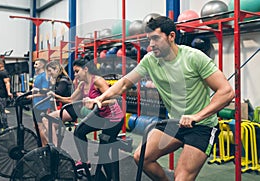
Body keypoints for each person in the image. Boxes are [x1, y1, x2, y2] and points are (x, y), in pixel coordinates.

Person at [90, 16, 235, 181]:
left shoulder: (194, 57)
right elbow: (124, 84)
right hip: (174, 123)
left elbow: (226, 91)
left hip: (202, 126)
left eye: (156, 38)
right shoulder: (150, 60)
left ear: (171, 36)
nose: (151, 45)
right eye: (149, 39)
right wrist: (100, 98)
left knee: (181, 178)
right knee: (141, 157)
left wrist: (197, 116)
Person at [45, 57, 124, 167]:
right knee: (79, 131)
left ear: (86, 69)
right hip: (101, 115)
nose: (75, 75)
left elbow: (113, 100)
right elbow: (71, 100)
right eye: (74, 72)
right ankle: (85, 161)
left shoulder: (98, 81)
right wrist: (55, 96)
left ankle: (109, 178)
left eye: (77, 71)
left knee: (103, 153)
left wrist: (96, 101)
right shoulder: (82, 84)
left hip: (114, 119)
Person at [40, 60, 74, 146]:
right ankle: (48, 149)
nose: (49, 73)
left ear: (56, 70)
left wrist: (51, 85)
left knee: (46, 120)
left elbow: (58, 92)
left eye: (50, 71)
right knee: (45, 131)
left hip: (69, 108)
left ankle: (54, 148)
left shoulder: (64, 80)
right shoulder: (58, 80)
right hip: (64, 107)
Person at [26, 59, 50, 145]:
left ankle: (45, 146)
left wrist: (33, 95)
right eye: (34, 64)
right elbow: (35, 90)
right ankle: (42, 144)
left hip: (42, 104)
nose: (34, 66)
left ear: (42, 65)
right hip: (36, 104)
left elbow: (45, 92)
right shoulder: (37, 76)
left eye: (36, 64)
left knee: (40, 126)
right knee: (36, 126)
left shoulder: (44, 76)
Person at [0, 58, 13, 130]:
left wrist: (8, 92)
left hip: (1, 95)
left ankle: (6, 127)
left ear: (1, 64)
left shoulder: (4, 73)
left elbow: (7, 82)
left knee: (2, 111)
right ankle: (3, 125)